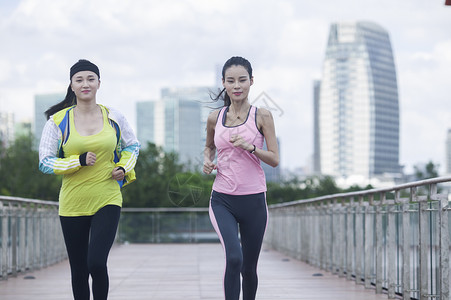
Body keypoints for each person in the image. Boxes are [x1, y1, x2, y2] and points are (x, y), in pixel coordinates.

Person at [38, 59, 140, 300]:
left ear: (98, 83)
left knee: (96, 262)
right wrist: (76, 161)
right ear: (72, 85)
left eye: (90, 79)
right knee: (79, 271)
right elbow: (45, 161)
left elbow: (133, 146)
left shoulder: (113, 116)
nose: (85, 84)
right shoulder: (57, 121)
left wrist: (123, 167)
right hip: (73, 203)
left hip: (108, 197)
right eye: (79, 79)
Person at [203, 56, 279, 300]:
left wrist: (251, 147)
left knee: (249, 267)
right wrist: (207, 160)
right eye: (231, 80)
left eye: (242, 80)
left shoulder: (263, 116)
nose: (237, 85)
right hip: (222, 199)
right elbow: (209, 147)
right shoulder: (215, 117)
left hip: (254, 200)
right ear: (223, 83)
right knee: (234, 258)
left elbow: (275, 159)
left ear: (251, 81)